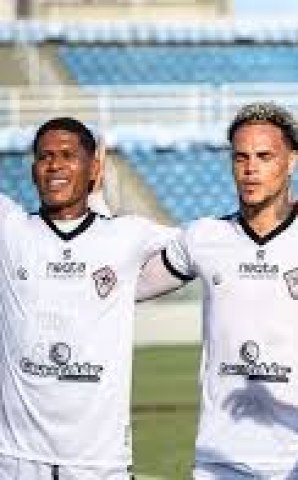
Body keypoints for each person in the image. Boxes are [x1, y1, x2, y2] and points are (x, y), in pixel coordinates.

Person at [148, 102, 298, 479]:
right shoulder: (203, 237)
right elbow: (123, 286)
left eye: (264, 157)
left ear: (292, 161)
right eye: (241, 157)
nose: (250, 169)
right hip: (219, 462)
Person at [0, 117, 176, 479]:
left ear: (94, 168)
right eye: (45, 156)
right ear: (33, 170)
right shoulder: (11, 230)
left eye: (68, 156)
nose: (55, 165)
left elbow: (214, 245)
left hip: (99, 463)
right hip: (16, 460)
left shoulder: (128, 235)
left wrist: (289, 217)